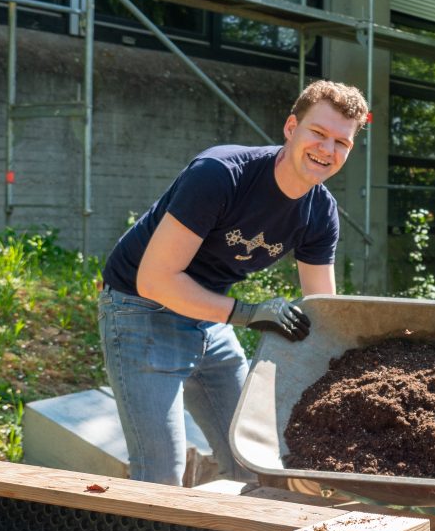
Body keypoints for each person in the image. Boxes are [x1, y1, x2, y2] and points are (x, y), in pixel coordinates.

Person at [97, 79, 369, 486]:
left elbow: (322, 311)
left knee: (258, 463)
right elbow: (154, 279)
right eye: (318, 133)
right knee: (161, 475)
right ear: (291, 128)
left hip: (208, 315)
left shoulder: (319, 213)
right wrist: (246, 314)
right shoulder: (220, 174)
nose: (327, 150)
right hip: (139, 309)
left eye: (342, 143)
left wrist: (354, 380)